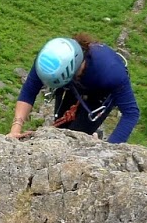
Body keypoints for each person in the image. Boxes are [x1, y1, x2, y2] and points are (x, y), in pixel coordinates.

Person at [9, 34, 139, 143]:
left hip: (99, 94)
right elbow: (29, 90)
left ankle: (92, 139)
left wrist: (109, 148)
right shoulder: (48, 60)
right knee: (59, 134)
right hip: (69, 87)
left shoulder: (111, 72)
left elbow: (131, 113)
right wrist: (15, 129)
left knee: (73, 140)